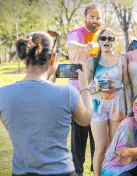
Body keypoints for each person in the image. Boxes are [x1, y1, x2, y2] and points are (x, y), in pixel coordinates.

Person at [0, 31, 93, 175]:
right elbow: (86, 119)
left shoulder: (3, 94)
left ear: (24, 59)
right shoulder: (67, 93)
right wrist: (85, 85)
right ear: (54, 58)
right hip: (61, 172)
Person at [86, 28, 133, 176]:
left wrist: (130, 109)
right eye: (103, 38)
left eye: (110, 39)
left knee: (115, 146)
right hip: (98, 106)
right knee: (100, 147)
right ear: (99, 40)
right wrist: (96, 87)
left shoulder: (122, 59)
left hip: (117, 105)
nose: (106, 41)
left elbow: (127, 85)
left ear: (114, 41)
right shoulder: (91, 61)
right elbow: (85, 88)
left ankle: (113, 173)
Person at [65, 3, 102, 174]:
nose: (95, 20)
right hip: (78, 92)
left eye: (98, 17)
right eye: (92, 17)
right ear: (85, 17)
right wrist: (84, 48)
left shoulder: (102, 36)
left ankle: (97, 170)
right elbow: (70, 45)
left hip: (99, 93)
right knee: (79, 136)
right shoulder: (77, 33)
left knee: (98, 136)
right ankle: (77, 171)